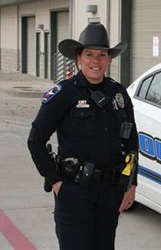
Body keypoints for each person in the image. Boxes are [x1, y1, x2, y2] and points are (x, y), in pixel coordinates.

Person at [27, 22, 138, 250]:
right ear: (79, 57)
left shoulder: (118, 93)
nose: (95, 61)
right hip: (74, 192)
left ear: (109, 58)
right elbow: (35, 141)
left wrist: (131, 184)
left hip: (110, 192)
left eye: (101, 55)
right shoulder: (63, 93)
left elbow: (131, 143)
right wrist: (56, 182)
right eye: (89, 55)